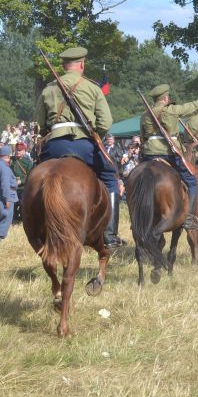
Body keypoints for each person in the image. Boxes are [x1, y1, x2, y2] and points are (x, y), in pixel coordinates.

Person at [35, 47, 121, 247]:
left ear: (64, 66)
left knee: (37, 178)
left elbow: (39, 121)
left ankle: (36, 226)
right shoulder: (92, 88)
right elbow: (106, 122)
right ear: (82, 65)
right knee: (110, 177)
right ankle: (109, 234)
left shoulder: (49, 89)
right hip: (84, 144)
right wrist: (96, 134)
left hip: (55, 145)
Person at [140, 85, 198, 229]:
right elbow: (195, 105)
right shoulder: (172, 110)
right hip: (168, 154)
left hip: (149, 154)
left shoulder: (145, 115)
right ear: (166, 98)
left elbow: (143, 137)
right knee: (192, 182)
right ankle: (189, 217)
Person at [0, 145, 18, 242]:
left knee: (0, 218)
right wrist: (7, 199)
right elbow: (5, 184)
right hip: (3, 195)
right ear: (8, 156)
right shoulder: (4, 168)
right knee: (6, 217)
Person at [9, 141, 33, 224]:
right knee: (14, 204)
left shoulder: (28, 162)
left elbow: (30, 176)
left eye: (19, 150)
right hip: (12, 186)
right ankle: (14, 219)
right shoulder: (11, 160)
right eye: (17, 150)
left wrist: (20, 181)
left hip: (23, 187)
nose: (17, 152)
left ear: (24, 151)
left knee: (22, 204)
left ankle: (23, 219)